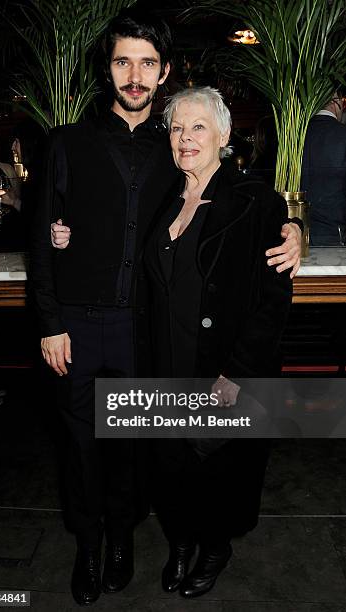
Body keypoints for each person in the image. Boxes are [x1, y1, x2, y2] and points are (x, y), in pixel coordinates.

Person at [34, 9, 301, 606]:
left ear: (164, 72)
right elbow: (44, 236)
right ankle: (92, 547)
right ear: (107, 70)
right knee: (89, 448)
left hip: (147, 336)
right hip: (86, 330)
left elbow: (253, 196)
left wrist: (293, 226)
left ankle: (137, 542)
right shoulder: (68, 143)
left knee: (146, 449)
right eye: (123, 62)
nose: (135, 75)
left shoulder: (176, 150)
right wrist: (51, 317)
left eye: (147, 63)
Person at [141, 86, 293, 598]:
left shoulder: (257, 202)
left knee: (215, 471)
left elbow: (272, 303)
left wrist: (237, 376)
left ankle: (214, 547)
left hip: (223, 369)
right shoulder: (162, 199)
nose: (186, 137)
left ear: (224, 135)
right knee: (171, 466)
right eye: (178, 128)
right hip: (166, 364)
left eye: (198, 126)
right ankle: (180, 542)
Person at [302, 91, 346, 245]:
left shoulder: (294, 136)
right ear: (337, 102)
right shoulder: (342, 135)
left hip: (295, 236)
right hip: (335, 235)